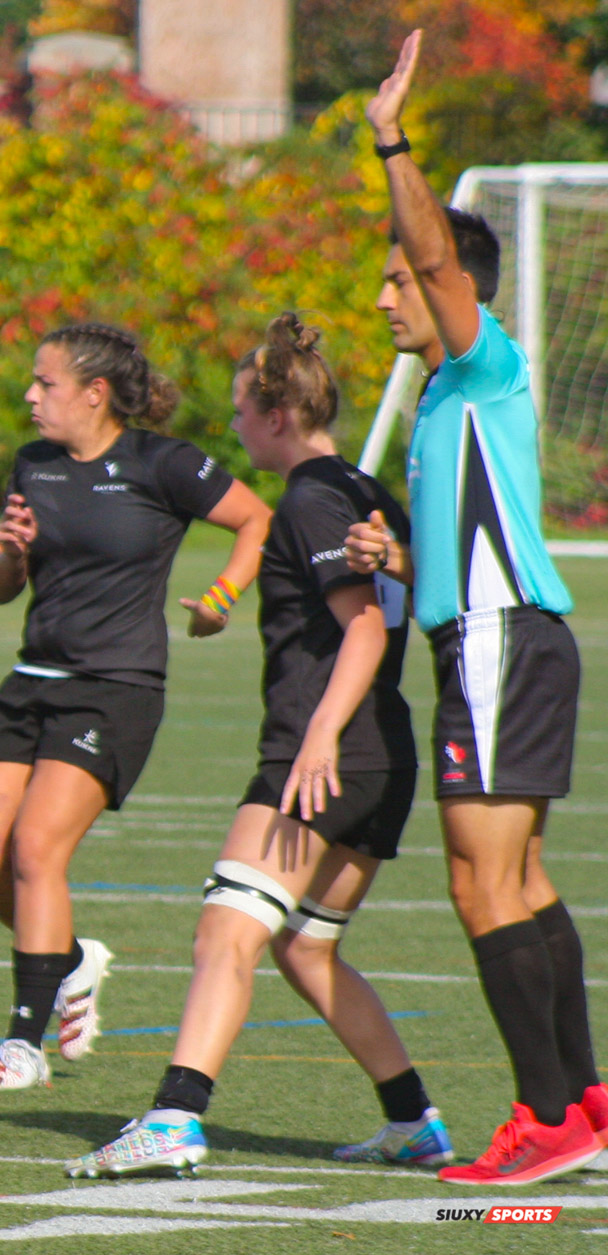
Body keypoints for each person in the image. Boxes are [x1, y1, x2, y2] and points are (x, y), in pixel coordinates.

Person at [66, 314, 444, 1176]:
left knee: (223, 933)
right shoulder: (363, 487)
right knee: (306, 945)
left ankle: (174, 1117)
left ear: (277, 414)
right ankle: (413, 1119)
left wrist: (317, 739)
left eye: (242, 410)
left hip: (326, 753)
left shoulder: (311, 496)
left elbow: (363, 628)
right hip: (383, 754)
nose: (234, 425)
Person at [345, 31, 602, 1186]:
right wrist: (398, 550)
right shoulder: (447, 400)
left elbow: (433, 253)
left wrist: (389, 138)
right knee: (521, 879)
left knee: (477, 881)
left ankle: (541, 1121)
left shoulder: (480, 357)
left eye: (398, 278)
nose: (384, 295)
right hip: (497, 639)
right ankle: (582, 1101)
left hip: (498, 642)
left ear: (449, 283)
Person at [0, 323, 272, 1092]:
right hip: (30, 679)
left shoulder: (163, 463)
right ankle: (68, 960)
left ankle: (23, 1044)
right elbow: (0, 586)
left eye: (46, 383)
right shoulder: (33, 463)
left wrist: (222, 596)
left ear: (95, 393)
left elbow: (257, 519)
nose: (30, 396)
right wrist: (10, 552)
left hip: (114, 687)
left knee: (37, 849)